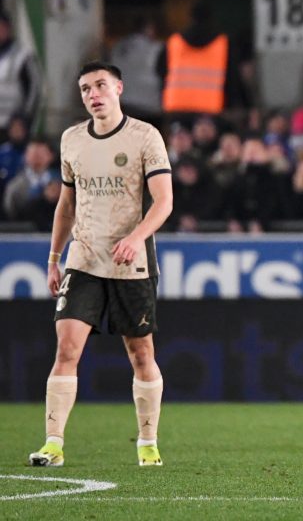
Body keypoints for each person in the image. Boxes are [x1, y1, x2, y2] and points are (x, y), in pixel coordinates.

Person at [28, 61, 173, 468]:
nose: (93, 94)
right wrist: (54, 259)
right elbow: (66, 205)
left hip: (131, 263)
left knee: (141, 354)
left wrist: (136, 238)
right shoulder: (72, 139)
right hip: (85, 258)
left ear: (119, 88)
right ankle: (53, 444)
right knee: (66, 347)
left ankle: (147, 443)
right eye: (85, 89)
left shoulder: (145, 136)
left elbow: (164, 201)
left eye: (100, 86)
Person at [0, 10, 41, 133]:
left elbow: (34, 90)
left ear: (8, 29)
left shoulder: (23, 56)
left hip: (13, 125)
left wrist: (24, 118)